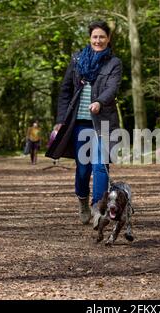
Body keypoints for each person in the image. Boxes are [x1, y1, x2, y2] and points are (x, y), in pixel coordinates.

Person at [46, 20, 122, 226]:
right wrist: (61, 120)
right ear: (90, 38)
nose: (98, 40)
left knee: (100, 166)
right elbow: (65, 91)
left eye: (102, 37)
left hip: (103, 122)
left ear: (108, 39)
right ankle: (82, 200)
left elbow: (112, 88)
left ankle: (98, 208)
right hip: (78, 122)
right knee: (83, 169)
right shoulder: (78, 59)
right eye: (95, 37)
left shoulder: (113, 63)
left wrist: (99, 101)